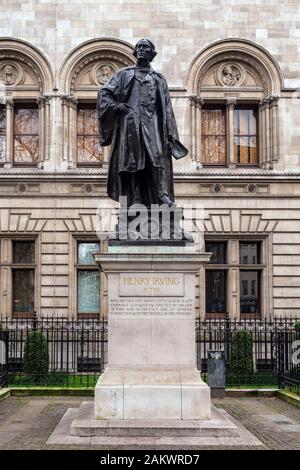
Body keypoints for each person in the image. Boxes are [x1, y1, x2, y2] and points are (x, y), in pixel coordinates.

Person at [97, 39, 188, 208]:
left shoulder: (158, 79)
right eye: (138, 47)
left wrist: (170, 134)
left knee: (157, 157)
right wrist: (115, 106)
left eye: (145, 47)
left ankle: (162, 194)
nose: (141, 50)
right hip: (130, 125)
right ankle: (136, 197)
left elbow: (167, 108)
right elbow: (104, 93)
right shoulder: (124, 74)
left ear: (152, 54)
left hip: (153, 125)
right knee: (134, 161)